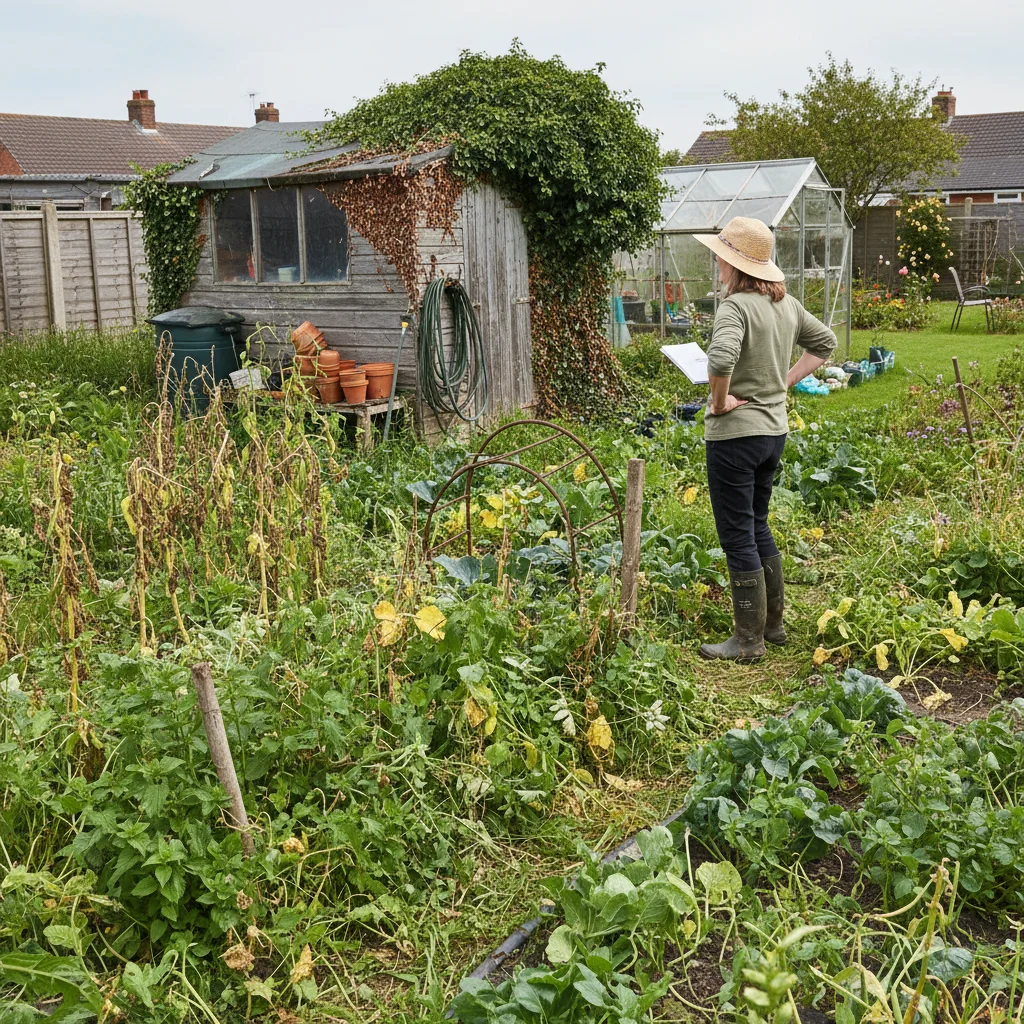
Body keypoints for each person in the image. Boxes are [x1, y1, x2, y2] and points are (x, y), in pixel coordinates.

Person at [693, 217, 837, 662]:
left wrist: (718, 403)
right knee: (758, 524)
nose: (716, 261)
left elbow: (719, 358)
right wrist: (783, 383)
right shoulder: (786, 305)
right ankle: (772, 626)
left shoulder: (735, 307)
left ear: (735, 263)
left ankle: (748, 641)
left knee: (737, 535)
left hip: (735, 438)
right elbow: (826, 341)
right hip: (773, 433)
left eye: (721, 255)